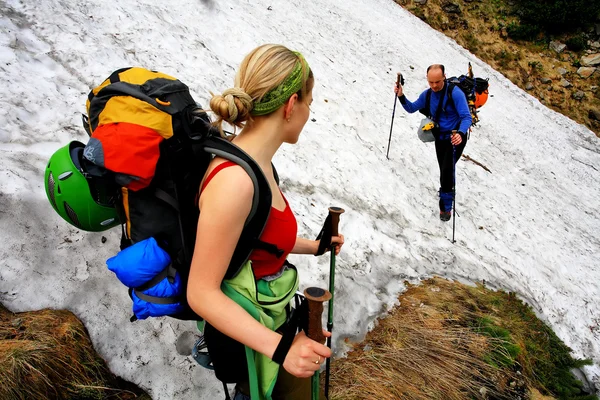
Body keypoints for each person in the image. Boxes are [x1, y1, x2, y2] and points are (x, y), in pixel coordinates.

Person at [186, 44, 344, 400]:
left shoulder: (260, 167)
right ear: (291, 105)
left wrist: (315, 247)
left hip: (270, 320)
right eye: (309, 102)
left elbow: (259, 238)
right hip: (253, 342)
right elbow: (201, 292)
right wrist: (282, 348)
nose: (309, 112)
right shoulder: (235, 181)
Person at [394, 64, 472, 221]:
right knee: (445, 170)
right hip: (440, 138)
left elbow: (466, 117)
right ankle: (446, 191)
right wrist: (401, 96)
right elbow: (411, 108)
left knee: (446, 171)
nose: (434, 86)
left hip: (455, 137)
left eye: (437, 82)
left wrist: (461, 134)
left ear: (444, 77)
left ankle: (445, 208)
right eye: (431, 82)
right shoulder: (428, 94)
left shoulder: (455, 94)